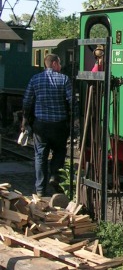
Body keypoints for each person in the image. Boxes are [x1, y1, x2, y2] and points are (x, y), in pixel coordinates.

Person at [22, 54, 74, 197]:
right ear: (55, 63)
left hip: (41, 125)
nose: (61, 66)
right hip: (59, 125)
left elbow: (27, 101)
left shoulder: (35, 79)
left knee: (40, 156)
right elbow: (72, 101)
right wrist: (74, 120)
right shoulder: (64, 79)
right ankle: (55, 177)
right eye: (60, 63)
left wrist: (25, 120)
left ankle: (40, 190)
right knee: (59, 152)